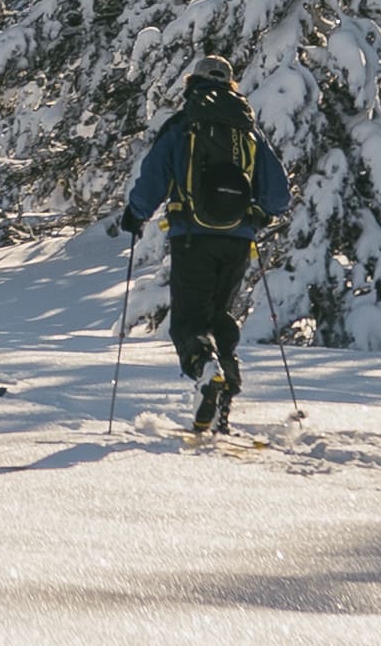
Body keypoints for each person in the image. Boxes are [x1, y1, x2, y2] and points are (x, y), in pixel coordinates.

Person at [115, 59, 289, 436]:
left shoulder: (183, 125)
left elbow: (154, 176)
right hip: (238, 240)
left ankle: (206, 370)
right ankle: (222, 406)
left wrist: (135, 214)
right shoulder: (249, 131)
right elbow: (279, 194)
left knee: (188, 323)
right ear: (232, 86)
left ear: (191, 82)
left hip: (192, 237)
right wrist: (257, 216)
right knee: (219, 316)